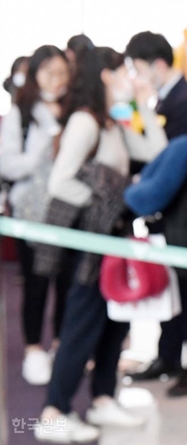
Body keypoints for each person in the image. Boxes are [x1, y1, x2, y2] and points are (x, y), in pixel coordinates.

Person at [34, 46, 167, 443]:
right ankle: (53, 411)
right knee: (81, 326)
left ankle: (103, 398)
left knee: (113, 323)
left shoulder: (114, 121)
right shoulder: (85, 122)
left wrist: (143, 106)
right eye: (122, 71)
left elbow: (156, 153)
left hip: (113, 242)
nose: (130, 76)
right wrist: (103, 205)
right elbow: (61, 183)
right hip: (90, 245)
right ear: (105, 76)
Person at [124, 30, 187, 398]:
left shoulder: (186, 103)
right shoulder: (165, 100)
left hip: (186, 215)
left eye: (140, 68)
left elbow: (173, 166)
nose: (138, 77)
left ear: (159, 64)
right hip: (169, 215)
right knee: (174, 292)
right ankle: (169, 357)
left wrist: (144, 192)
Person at [0, 45, 75, 386]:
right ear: (35, 76)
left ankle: (62, 343)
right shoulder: (23, 114)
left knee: (67, 280)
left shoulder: (74, 110)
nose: (58, 80)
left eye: (62, 72)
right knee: (36, 282)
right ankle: (33, 348)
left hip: (69, 211)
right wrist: (44, 143)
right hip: (31, 211)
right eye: (50, 73)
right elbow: (10, 165)